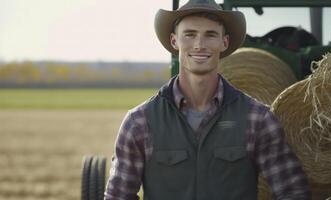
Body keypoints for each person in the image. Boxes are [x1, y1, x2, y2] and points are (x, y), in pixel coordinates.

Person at [104, 0, 310, 199]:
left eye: (210, 35)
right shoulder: (139, 122)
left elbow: (292, 191)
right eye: (190, 35)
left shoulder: (257, 119)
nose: (199, 45)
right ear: (174, 41)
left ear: (224, 42)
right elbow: (118, 196)